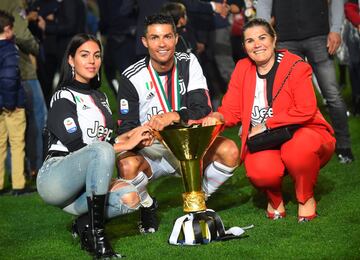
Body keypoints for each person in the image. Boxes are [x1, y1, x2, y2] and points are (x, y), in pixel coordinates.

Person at [202, 19, 336, 222]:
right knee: (260, 171)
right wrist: (218, 117)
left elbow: (306, 109)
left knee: (298, 150)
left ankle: (305, 197)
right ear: (244, 46)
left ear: (274, 40)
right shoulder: (242, 68)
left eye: (262, 37)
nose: (257, 44)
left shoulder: (296, 66)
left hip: (303, 132)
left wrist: (266, 125)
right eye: (250, 40)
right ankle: (274, 199)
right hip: (265, 140)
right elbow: (232, 109)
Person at [116, 14, 240, 233]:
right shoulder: (131, 77)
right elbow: (126, 128)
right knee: (126, 165)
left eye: (167, 37)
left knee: (229, 150)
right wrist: (143, 133)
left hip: (189, 145)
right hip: (153, 149)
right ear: (145, 42)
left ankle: (197, 199)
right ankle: (147, 205)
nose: (162, 44)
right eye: (154, 38)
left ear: (175, 38)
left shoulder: (188, 62)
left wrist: (173, 115)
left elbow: (202, 107)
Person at [36, 34, 154, 258]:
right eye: (84, 55)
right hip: (56, 178)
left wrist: (134, 134)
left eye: (97, 55)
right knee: (101, 150)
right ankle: (99, 241)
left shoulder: (100, 97)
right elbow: (82, 147)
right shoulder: (63, 95)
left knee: (131, 198)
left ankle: (84, 224)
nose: (92, 61)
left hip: (85, 184)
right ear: (71, 60)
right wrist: (123, 144)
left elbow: (106, 141)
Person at [256, 0, 354, 163]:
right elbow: (264, 3)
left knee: (332, 95)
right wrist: (264, 35)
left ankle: (344, 145)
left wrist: (336, 29)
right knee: (292, 99)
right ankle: (300, 146)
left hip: (319, 36)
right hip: (286, 39)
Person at [0, 10, 27, 196]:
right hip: (11, 105)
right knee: (17, 143)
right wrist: (10, 104)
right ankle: (18, 184)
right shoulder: (9, 49)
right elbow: (9, 78)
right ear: (8, 29)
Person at [344, 0, 360, 116]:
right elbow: (349, 7)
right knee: (355, 65)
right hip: (354, 31)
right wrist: (358, 22)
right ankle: (357, 101)